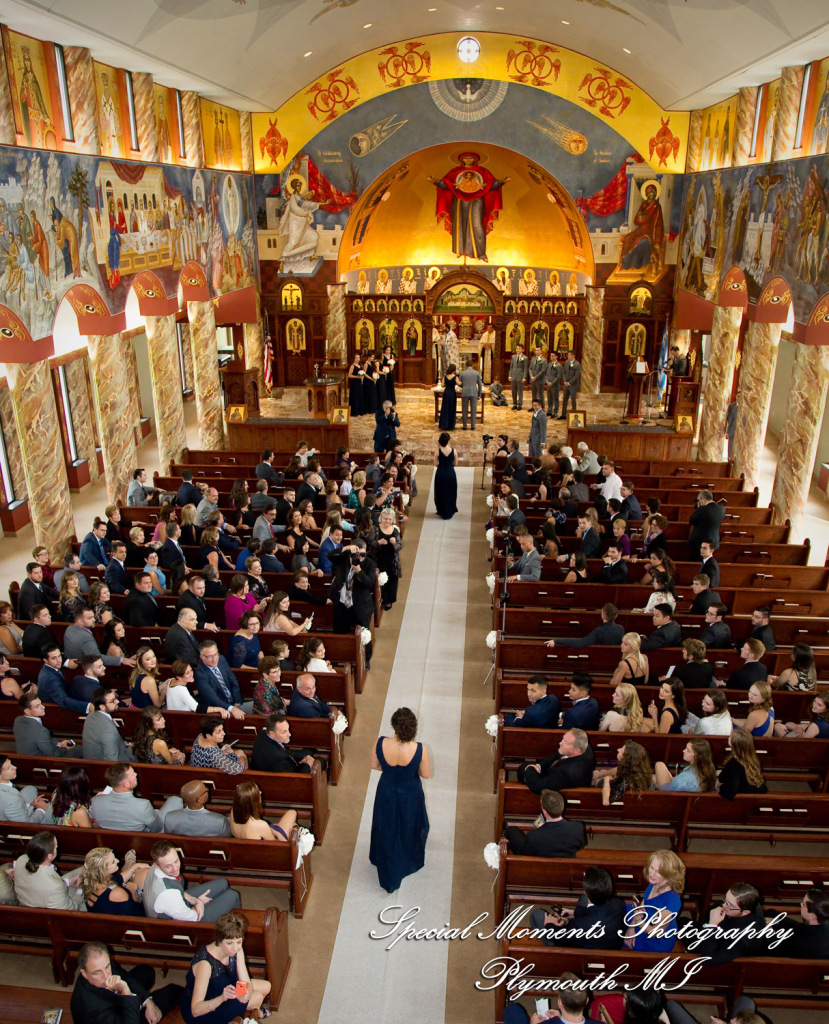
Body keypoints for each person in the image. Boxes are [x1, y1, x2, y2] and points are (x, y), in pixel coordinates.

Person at [369, 707, 431, 893]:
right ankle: (406, 858)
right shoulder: (419, 749)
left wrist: (391, 772)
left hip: (386, 790)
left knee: (386, 826)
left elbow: (374, 765)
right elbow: (426, 774)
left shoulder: (380, 742)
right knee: (408, 826)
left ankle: (384, 859)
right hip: (409, 793)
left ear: (394, 726)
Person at [181, 910, 271, 1024]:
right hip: (207, 1008)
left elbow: (245, 981)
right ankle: (251, 1014)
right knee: (257, 997)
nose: (235, 948)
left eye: (239, 942)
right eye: (229, 943)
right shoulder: (205, 965)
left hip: (226, 988)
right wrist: (222, 998)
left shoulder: (237, 949)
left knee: (266, 986)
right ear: (219, 940)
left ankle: (249, 1013)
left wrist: (244, 993)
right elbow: (195, 1010)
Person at [72, 939, 183, 1024]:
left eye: (107, 966)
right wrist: (126, 992)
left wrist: (149, 1002)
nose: (106, 975)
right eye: (97, 972)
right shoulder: (93, 1009)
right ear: (84, 973)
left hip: (115, 1001)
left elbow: (125, 977)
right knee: (172, 991)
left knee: (146, 972)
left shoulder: (102, 963)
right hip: (122, 1018)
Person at [528, 868, 627, 952]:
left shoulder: (580, 926)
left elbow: (554, 934)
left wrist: (549, 923)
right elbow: (594, 915)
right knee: (583, 900)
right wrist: (573, 913)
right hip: (609, 937)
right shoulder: (618, 903)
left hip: (589, 949)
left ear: (587, 892)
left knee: (537, 914)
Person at [143, 840, 240, 921]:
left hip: (178, 903)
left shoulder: (155, 868)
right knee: (233, 895)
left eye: (176, 861)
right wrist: (200, 904)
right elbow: (191, 918)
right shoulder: (169, 895)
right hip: (182, 921)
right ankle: (234, 929)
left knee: (223, 883)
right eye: (168, 866)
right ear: (157, 865)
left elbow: (179, 891)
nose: (175, 868)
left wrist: (195, 900)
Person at [622, 850, 685, 952]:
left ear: (668, 875)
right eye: (651, 868)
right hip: (643, 922)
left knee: (616, 935)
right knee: (618, 911)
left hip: (655, 941)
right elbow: (642, 907)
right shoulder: (654, 883)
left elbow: (655, 933)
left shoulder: (672, 901)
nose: (652, 874)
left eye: (658, 872)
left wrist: (638, 922)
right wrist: (631, 927)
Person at [91, 763, 182, 832]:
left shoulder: (95, 802)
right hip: (143, 839)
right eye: (133, 774)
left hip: (115, 839)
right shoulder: (143, 805)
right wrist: (154, 813)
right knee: (175, 800)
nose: (136, 774)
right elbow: (157, 828)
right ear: (126, 784)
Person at [13, 830, 84, 909]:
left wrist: (67, 882)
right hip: (49, 914)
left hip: (31, 900)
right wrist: (80, 891)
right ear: (49, 856)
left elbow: (43, 883)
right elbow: (71, 908)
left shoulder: (21, 860)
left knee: (86, 870)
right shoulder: (55, 887)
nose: (57, 847)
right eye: (56, 847)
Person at [504, 788, 585, 857]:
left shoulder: (534, 835)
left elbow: (523, 853)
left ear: (545, 812)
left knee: (511, 831)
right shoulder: (578, 828)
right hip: (566, 865)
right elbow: (580, 845)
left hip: (538, 865)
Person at [518, 729, 595, 795]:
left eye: (566, 743)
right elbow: (558, 755)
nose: (560, 743)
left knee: (522, 770)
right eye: (563, 739)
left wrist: (530, 768)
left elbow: (538, 787)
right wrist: (539, 766)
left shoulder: (564, 773)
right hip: (560, 777)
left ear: (577, 750)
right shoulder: (585, 747)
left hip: (553, 793)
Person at [82, 846, 148, 915]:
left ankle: (131, 863)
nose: (118, 861)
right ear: (103, 870)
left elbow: (117, 879)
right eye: (113, 861)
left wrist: (134, 867)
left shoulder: (91, 882)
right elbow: (138, 915)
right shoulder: (116, 893)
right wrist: (133, 893)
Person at [194, 640, 251, 719]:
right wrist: (231, 708)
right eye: (210, 657)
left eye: (215, 654)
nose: (214, 659)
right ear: (202, 657)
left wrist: (236, 703)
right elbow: (212, 698)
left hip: (234, 703)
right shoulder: (200, 674)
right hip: (219, 711)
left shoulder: (221, 659)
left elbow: (233, 682)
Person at [230, 780, 297, 842]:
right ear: (253, 801)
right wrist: (278, 834)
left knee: (291, 825)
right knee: (292, 813)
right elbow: (276, 845)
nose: (260, 792)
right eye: (258, 792)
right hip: (265, 848)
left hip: (249, 843)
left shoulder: (233, 811)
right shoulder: (261, 825)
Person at [250, 713, 318, 773]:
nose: (289, 734)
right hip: (282, 778)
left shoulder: (263, 734)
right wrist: (309, 764)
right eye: (284, 732)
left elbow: (284, 751)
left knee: (309, 751)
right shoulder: (278, 759)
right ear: (272, 734)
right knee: (319, 761)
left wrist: (302, 758)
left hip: (284, 762)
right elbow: (295, 779)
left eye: (288, 730)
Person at [14, 691, 75, 756]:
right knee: (78, 750)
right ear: (27, 711)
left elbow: (39, 740)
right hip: (39, 761)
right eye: (37, 706)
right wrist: (65, 748)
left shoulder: (18, 720)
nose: (43, 707)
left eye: (41, 703)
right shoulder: (41, 731)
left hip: (25, 756)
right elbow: (53, 754)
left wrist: (58, 743)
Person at [164, 780, 232, 837]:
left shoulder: (170, 817)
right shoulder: (220, 821)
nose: (207, 789)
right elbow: (228, 837)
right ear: (199, 800)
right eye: (205, 791)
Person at [83, 687, 134, 761]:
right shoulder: (109, 730)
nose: (117, 701)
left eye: (115, 698)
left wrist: (126, 744)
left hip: (94, 759)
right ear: (102, 707)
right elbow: (111, 760)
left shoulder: (91, 715)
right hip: (118, 760)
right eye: (113, 701)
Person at [777, 889, 829, 959]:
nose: (801, 905)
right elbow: (797, 926)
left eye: (803, 905)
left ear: (813, 915)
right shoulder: (822, 929)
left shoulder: (798, 940)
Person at [717, 727, 767, 799]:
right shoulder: (752, 758)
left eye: (731, 736)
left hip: (744, 800)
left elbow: (729, 793)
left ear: (733, 743)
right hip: (756, 795)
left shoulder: (734, 764)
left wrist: (720, 788)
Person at [547, 603, 624, 649]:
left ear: (603, 614)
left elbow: (580, 643)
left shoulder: (598, 631)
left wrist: (557, 640)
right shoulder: (621, 629)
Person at [0, 756, 50, 822]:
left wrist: (31, 804)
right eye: (8, 768)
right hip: (24, 824)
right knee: (51, 809)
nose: (15, 767)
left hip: (15, 809)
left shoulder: (5, 787)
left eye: (11, 764)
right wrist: (41, 809)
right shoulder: (11, 800)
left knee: (30, 789)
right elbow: (28, 823)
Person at [688, 490, 725, 558]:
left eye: (699, 500)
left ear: (703, 499)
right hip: (714, 540)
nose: (699, 502)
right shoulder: (722, 509)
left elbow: (692, 521)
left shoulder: (703, 509)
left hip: (700, 541)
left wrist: (698, 509)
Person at [459, 357, 483, 430]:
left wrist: (464, 386)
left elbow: (460, 383)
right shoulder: (476, 373)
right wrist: (479, 394)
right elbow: (480, 385)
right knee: (473, 409)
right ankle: (473, 426)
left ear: (466, 366)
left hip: (465, 392)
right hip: (474, 392)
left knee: (464, 409)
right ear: (472, 366)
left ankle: (465, 426)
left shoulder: (462, 373)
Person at [559, 349, 581, 418]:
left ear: (573, 356)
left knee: (573, 400)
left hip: (573, 385)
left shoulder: (577, 364)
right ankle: (563, 415)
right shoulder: (567, 362)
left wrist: (569, 383)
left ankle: (574, 415)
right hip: (566, 385)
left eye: (569, 355)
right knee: (564, 400)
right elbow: (564, 372)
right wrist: (565, 381)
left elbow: (576, 376)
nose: (567, 356)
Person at [509, 343, 528, 409]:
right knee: (513, 391)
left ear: (522, 350)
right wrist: (510, 375)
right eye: (517, 348)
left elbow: (525, 368)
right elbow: (511, 367)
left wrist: (524, 377)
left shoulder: (525, 358)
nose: (518, 350)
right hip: (513, 375)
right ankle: (514, 404)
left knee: (520, 391)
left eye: (519, 349)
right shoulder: (513, 357)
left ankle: (520, 404)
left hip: (520, 376)